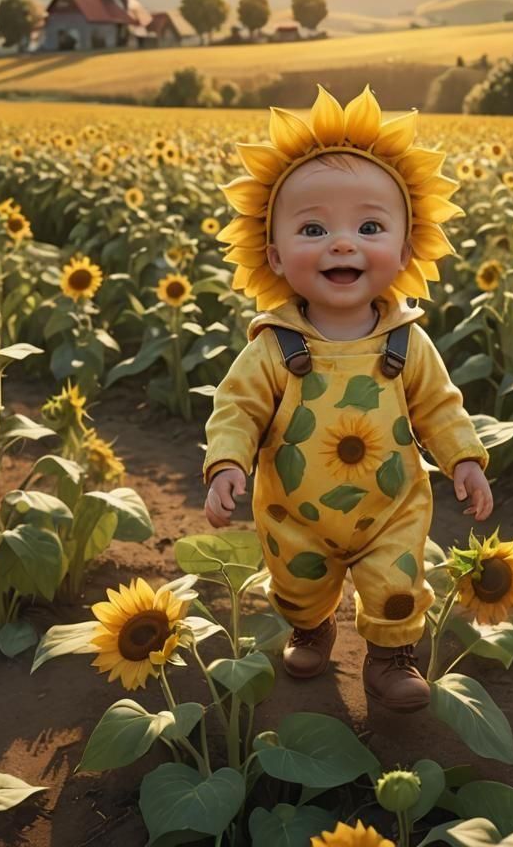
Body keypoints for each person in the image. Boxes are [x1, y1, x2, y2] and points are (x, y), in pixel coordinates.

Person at [202, 85, 493, 713]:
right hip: (292, 510)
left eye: (368, 226)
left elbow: (439, 407)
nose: (342, 243)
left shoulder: (406, 343)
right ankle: (312, 627)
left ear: (407, 250)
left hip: (390, 506)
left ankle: (390, 658)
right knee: (296, 582)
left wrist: (463, 459)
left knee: (396, 583)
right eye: (314, 228)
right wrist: (227, 463)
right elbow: (238, 409)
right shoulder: (274, 347)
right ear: (275, 256)